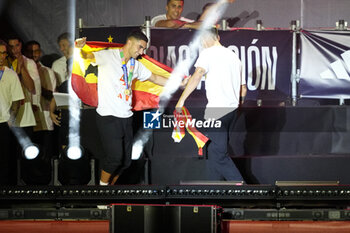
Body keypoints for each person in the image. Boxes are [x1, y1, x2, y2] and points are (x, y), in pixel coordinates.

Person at [75, 30, 178, 185]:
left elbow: (155, 78)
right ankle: (101, 193)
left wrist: (178, 82)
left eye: (144, 49)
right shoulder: (108, 56)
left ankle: (110, 191)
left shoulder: (135, 64)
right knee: (115, 159)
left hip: (126, 117)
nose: (141, 52)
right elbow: (86, 57)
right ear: (129, 42)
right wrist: (79, 48)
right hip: (108, 116)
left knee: (126, 162)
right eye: (140, 47)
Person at [175, 28, 247, 181]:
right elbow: (243, 89)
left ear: (204, 39)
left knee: (219, 155)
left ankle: (244, 192)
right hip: (232, 110)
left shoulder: (208, 53)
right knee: (213, 152)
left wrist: (181, 100)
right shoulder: (234, 57)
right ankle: (213, 193)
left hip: (217, 110)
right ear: (218, 37)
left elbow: (198, 74)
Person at [24, 40, 57, 158]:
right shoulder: (23, 72)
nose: (34, 54)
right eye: (30, 51)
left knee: (46, 156)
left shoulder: (48, 71)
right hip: (28, 121)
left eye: (36, 51)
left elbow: (53, 96)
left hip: (45, 121)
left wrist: (37, 88)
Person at [0, 40, 24, 184]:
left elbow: (16, 101)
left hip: (4, 122)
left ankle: (5, 194)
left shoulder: (11, 75)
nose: (2, 56)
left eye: (3, 53)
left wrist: (11, 119)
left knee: (5, 160)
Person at [7, 35, 41, 137]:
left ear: (21, 45)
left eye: (17, 45)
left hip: (24, 115)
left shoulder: (29, 63)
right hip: (6, 113)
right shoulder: (4, 62)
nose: (14, 49)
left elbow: (31, 87)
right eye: (11, 46)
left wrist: (21, 67)